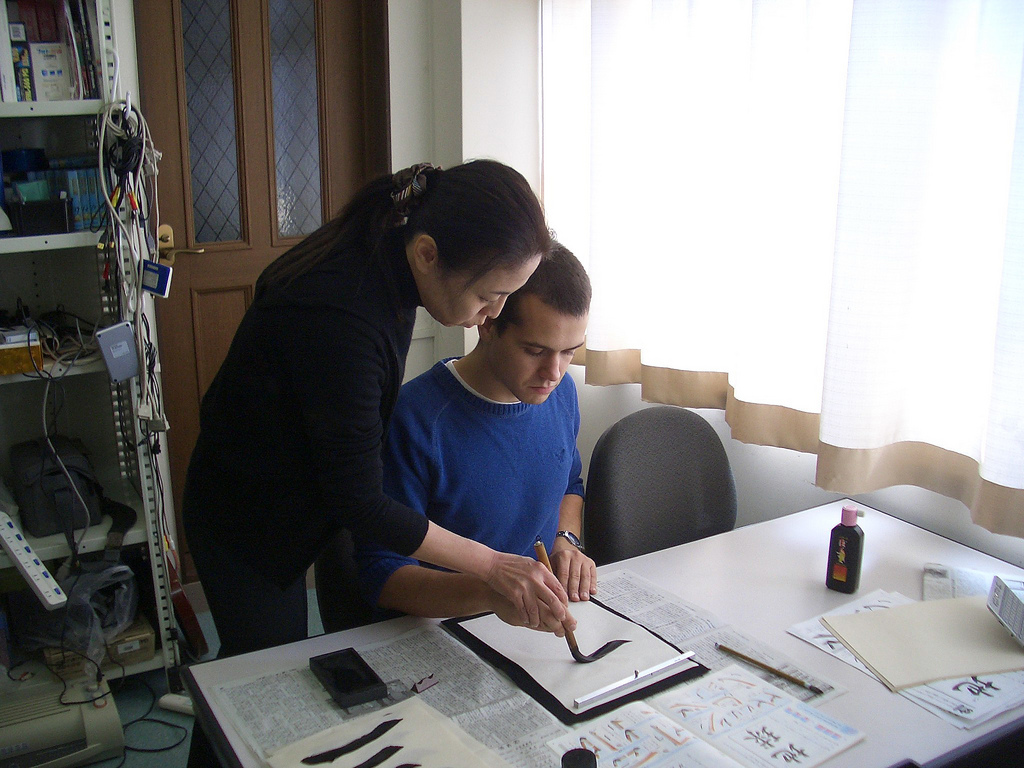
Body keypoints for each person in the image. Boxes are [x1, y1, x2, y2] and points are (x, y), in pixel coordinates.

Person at [181, 160, 574, 660]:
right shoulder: (346, 313)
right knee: (261, 674)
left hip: (298, 489)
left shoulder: (386, 253)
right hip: (249, 517)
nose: (494, 313)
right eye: (489, 294)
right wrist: (493, 567)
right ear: (430, 254)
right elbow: (362, 505)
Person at [353, 243, 596, 627]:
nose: (554, 372)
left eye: (569, 352)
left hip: (530, 625)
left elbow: (570, 482)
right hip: (444, 629)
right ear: (488, 321)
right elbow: (383, 575)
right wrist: (490, 593)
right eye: (535, 350)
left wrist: (566, 540)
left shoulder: (559, 393)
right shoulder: (416, 419)